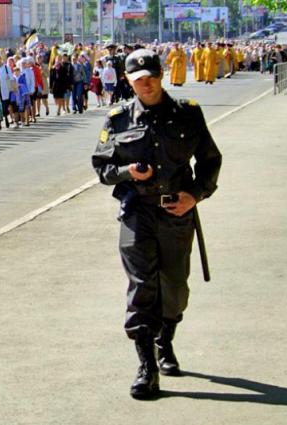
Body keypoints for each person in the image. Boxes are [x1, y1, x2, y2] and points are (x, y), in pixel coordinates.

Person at [91, 49, 222, 400]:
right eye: (137, 81)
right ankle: (147, 366)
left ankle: (166, 339)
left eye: (149, 77)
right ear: (128, 82)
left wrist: (195, 195)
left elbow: (211, 160)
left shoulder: (188, 114)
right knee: (141, 286)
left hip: (177, 214)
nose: (144, 85)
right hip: (137, 214)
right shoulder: (118, 118)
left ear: (160, 75)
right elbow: (102, 167)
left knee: (175, 288)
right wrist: (125, 172)